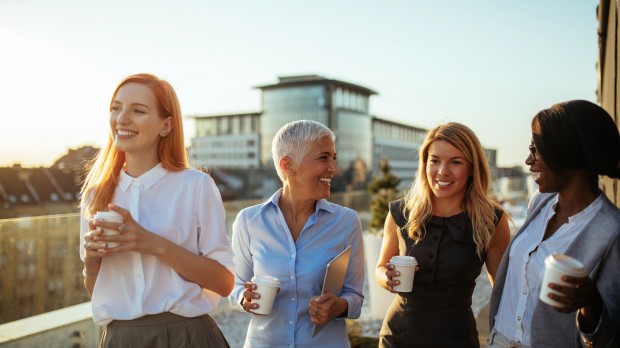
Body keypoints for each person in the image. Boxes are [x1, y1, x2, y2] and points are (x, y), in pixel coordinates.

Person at [80, 73, 234, 347]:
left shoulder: (195, 186)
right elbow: (97, 291)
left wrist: (152, 244)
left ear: (166, 125)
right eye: (116, 108)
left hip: (187, 337)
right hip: (120, 339)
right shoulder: (96, 194)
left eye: (138, 110)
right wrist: (93, 260)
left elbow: (224, 282)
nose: (122, 118)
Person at [488, 100, 620, 347]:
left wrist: (591, 304)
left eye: (535, 149)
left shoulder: (611, 231)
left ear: (567, 152)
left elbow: (610, 337)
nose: (528, 160)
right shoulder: (540, 201)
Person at [228, 120, 365, 347]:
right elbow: (235, 286)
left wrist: (338, 306)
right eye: (324, 158)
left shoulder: (347, 221)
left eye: (334, 158)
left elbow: (356, 297)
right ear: (288, 165)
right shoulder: (248, 221)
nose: (334, 168)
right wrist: (245, 298)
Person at [376, 122, 511, 347]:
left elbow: (503, 289)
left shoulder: (491, 220)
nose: (442, 172)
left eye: (455, 162)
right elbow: (381, 267)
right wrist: (387, 278)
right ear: (424, 163)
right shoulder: (401, 212)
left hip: (457, 339)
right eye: (435, 161)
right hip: (398, 337)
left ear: (472, 168)